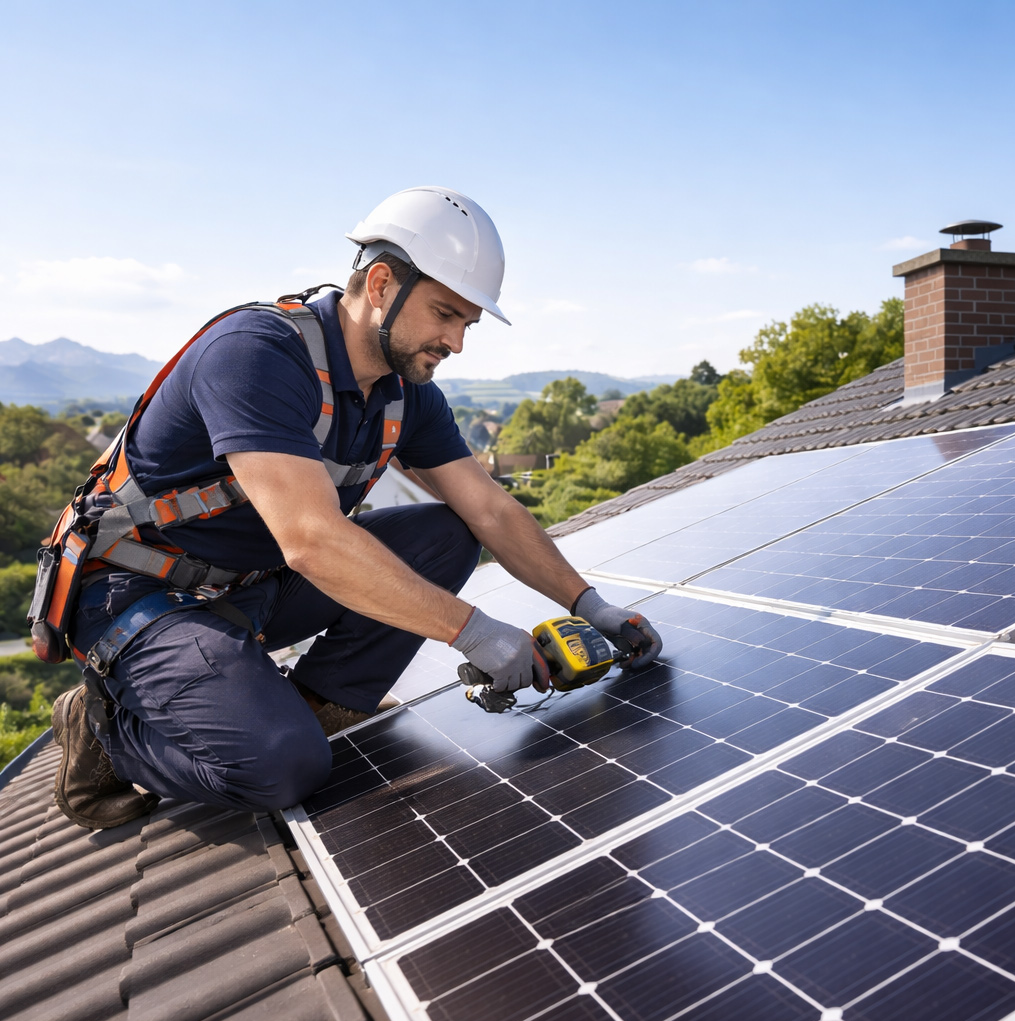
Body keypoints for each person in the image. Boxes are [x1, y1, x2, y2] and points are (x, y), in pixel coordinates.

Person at [50, 186, 661, 830]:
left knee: (446, 534)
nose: (455, 342)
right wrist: (475, 631)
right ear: (379, 285)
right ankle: (104, 733)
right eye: (444, 314)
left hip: (252, 586)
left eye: (467, 325)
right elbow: (311, 540)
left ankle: (314, 707)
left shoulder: (406, 393)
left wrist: (589, 605)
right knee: (283, 768)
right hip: (140, 591)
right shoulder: (257, 355)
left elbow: (491, 511)